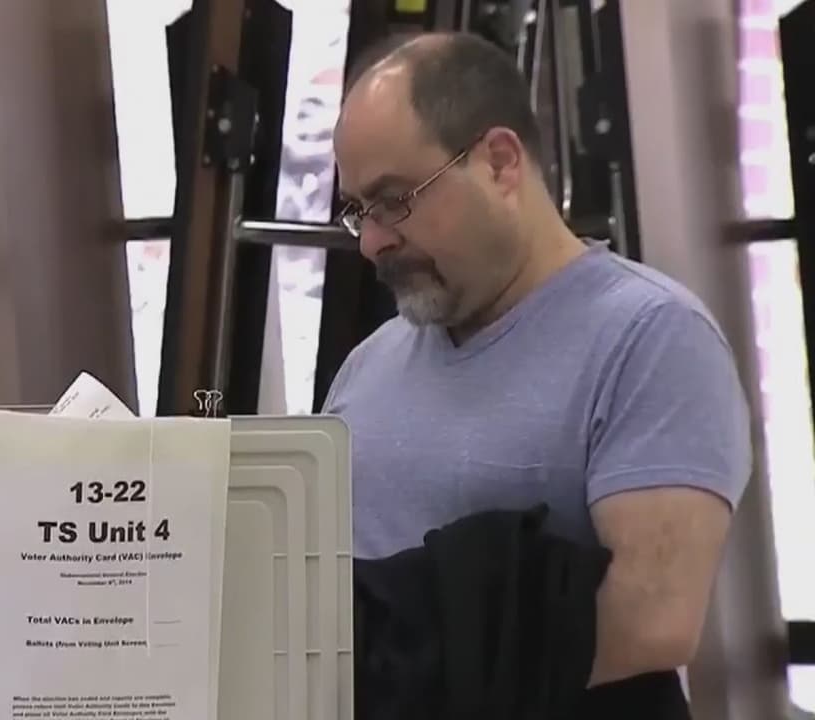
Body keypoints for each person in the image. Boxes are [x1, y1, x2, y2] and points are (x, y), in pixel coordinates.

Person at [322, 31, 753, 688]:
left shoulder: (651, 338)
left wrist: (399, 686)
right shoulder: (365, 369)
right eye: (360, 211)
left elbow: (650, 622)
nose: (373, 241)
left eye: (394, 200)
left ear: (499, 163)